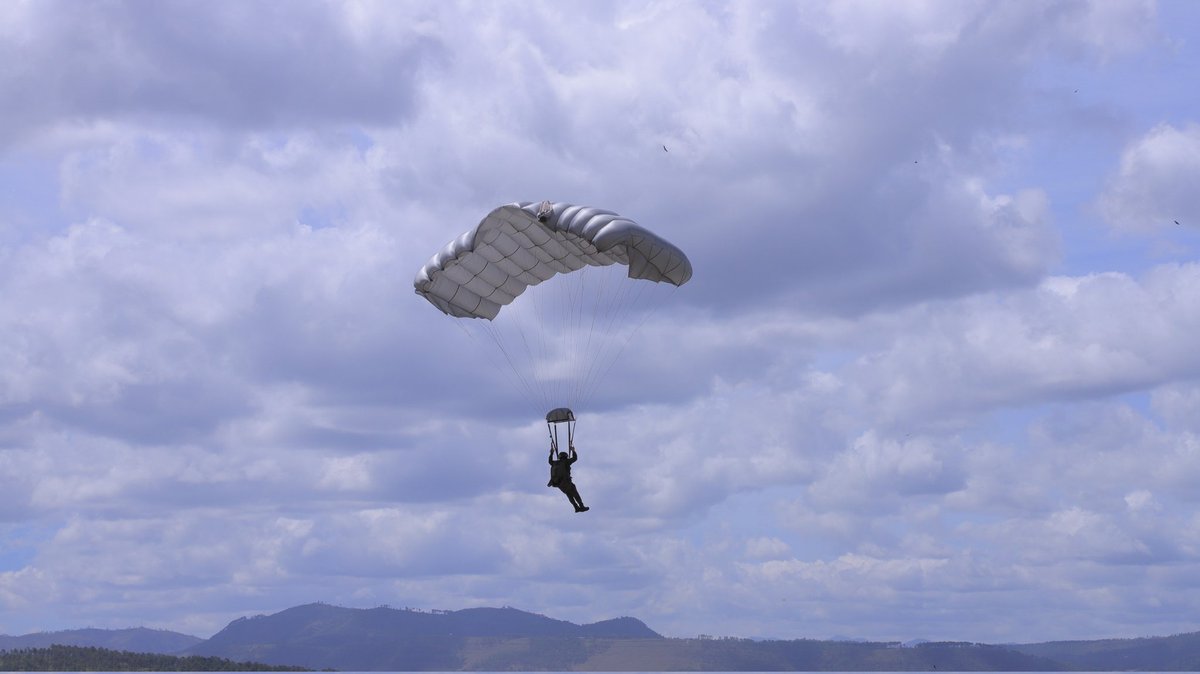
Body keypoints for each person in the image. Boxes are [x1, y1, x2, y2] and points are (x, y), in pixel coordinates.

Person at [548, 444, 589, 512]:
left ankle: (576, 507)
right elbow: (575, 458)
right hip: (566, 482)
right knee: (575, 493)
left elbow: (549, 461)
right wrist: (573, 450)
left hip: (558, 484)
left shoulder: (554, 463)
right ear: (566, 457)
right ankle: (581, 506)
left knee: (569, 494)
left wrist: (551, 453)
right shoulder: (566, 461)